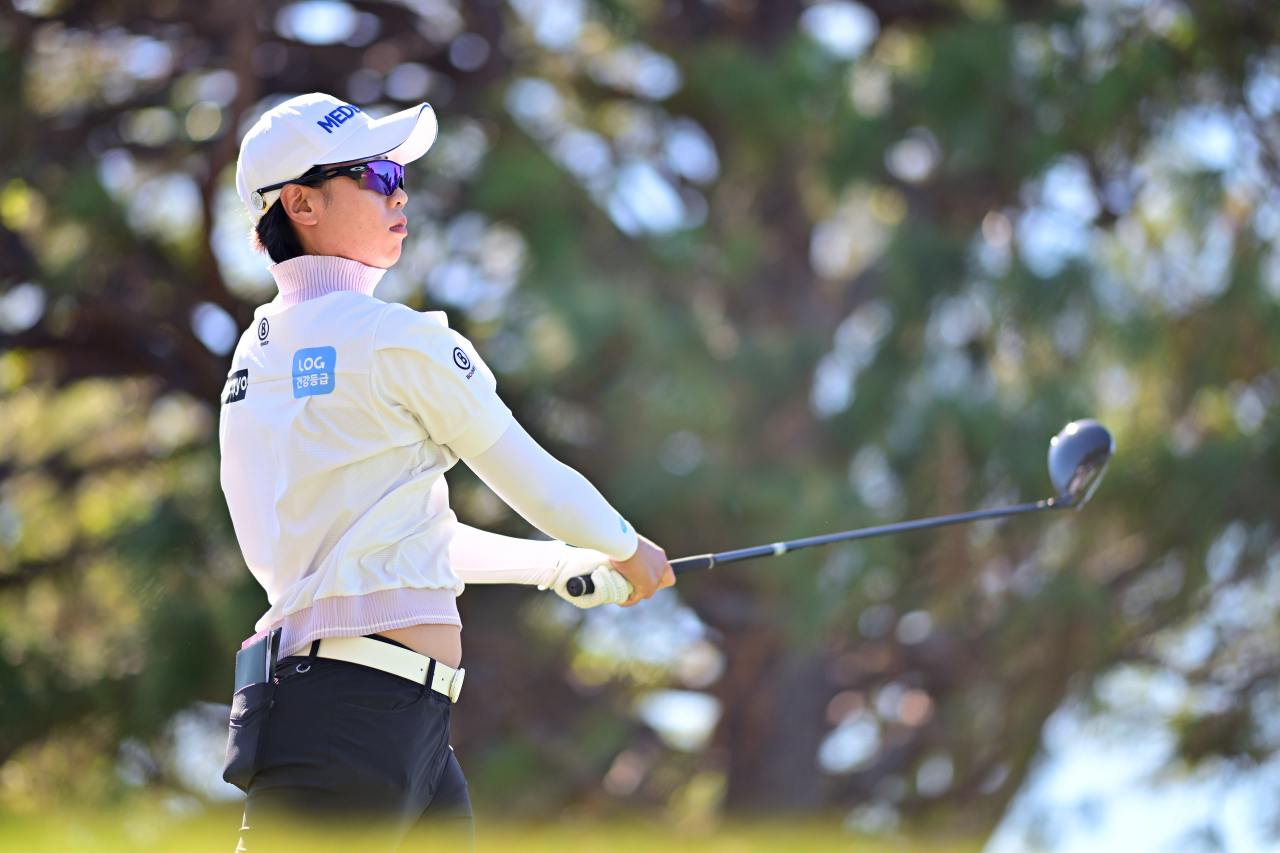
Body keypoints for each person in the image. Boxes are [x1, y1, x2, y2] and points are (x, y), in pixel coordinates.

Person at [219, 93, 675, 851]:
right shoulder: (394, 340)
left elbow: (398, 534)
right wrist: (624, 543)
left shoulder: (255, 354)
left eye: (398, 171)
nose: (399, 191)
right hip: (353, 717)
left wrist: (557, 563)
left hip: (395, 723)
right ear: (299, 201)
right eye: (374, 172)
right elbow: (537, 478)